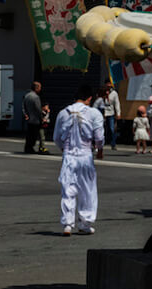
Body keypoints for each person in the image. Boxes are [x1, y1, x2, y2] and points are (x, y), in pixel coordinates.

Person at [52, 82, 103, 236]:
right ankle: (85, 223)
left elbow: (56, 138)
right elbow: (99, 137)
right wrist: (99, 149)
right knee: (87, 190)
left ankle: (68, 224)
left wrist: (64, 148)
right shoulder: (94, 113)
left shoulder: (63, 113)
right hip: (86, 154)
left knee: (68, 190)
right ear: (89, 98)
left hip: (69, 155)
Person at [22, 81, 47, 154]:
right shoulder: (36, 97)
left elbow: (24, 107)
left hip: (29, 119)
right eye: (39, 87)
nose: (40, 89)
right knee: (34, 135)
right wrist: (42, 118)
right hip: (36, 120)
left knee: (29, 135)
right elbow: (38, 109)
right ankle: (31, 148)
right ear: (36, 88)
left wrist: (26, 115)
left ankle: (27, 147)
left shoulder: (27, 96)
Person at [101, 80, 120, 151]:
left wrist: (118, 113)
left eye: (110, 84)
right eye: (107, 84)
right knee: (101, 129)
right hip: (103, 112)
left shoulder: (114, 93)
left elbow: (117, 103)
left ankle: (113, 144)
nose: (108, 85)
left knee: (112, 129)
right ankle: (100, 143)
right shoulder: (102, 91)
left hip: (110, 112)